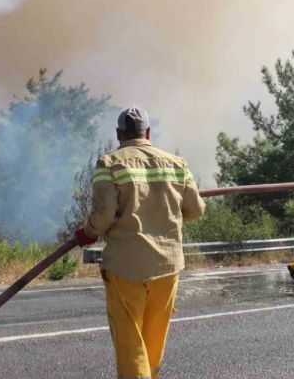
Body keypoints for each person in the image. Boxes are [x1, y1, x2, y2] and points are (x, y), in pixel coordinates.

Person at [74, 106, 206, 379]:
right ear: (147, 132)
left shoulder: (108, 164)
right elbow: (195, 210)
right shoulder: (177, 164)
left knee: (130, 339)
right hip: (168, 266)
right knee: (153, 337)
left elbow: (103, 216)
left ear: (119, 134)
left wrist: (87, 232)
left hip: (126, 267)